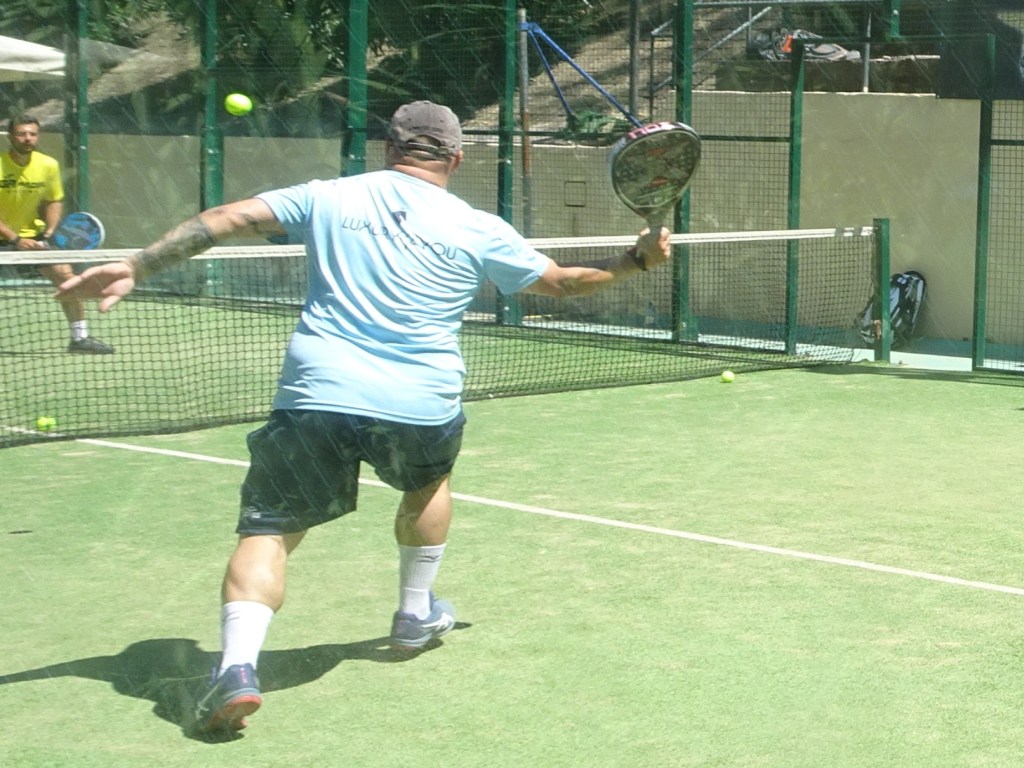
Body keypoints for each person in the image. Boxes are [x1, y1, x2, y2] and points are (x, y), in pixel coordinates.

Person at [56, 100, 671, 733]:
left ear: (389, 148)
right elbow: (564, 282)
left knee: (270, 533)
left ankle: (237, 669)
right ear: (457, 159)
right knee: (427, 485)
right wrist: (634, 261)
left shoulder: (327, 196)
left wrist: (135, 264)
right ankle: (413, 613)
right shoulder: (478, 226)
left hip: (318, 393)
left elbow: (226, 219)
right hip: (422, 400)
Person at [0, 114, 113, 354]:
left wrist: (49, 232)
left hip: (33, 237)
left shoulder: (48, 165)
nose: (28, 138)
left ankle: (79, 339)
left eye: (32, 134)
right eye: (21, 134)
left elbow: (53, 200)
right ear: (10, 136)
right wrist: (15, 239)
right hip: (10, 237)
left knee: (66, 278)